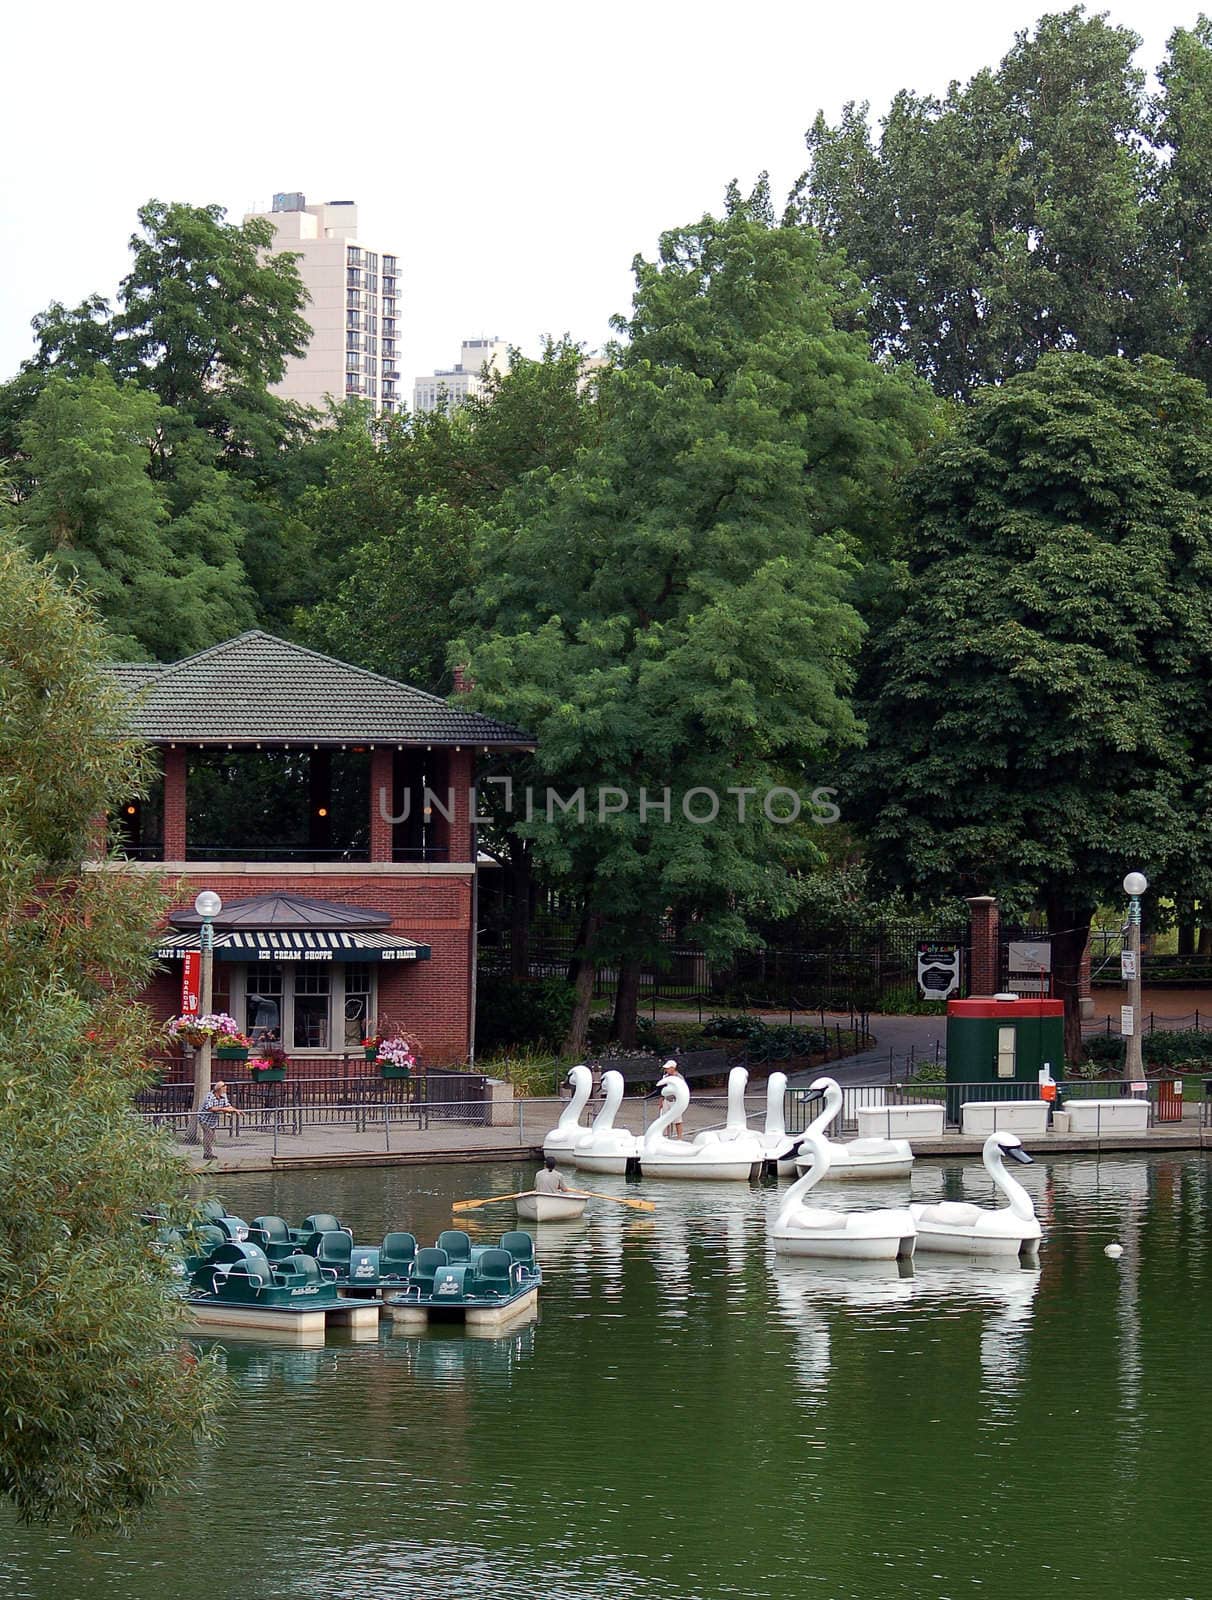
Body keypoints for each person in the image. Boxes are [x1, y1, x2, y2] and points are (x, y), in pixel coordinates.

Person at [198, 1080, 239, 1160]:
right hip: (204, 1119)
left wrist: (236, 1110)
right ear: (219, 1089)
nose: (225, 1091)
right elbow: (210, 1108)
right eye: (224, 1089)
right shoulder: (210, 1096)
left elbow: (227, 1106)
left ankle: (208, 1153)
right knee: (208, 1135)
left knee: (212, 1137)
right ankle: (207, 1154)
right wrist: (224, 1109)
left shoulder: (224, 1096)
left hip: (213, 1120)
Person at [662, 1059, 685, 1139]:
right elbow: (662, 1088)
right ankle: (669, 1136)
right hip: (666, 1100)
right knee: (666, 1119)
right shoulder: (665, 1077)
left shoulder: (679, 1077)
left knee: (677, 1120)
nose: (666, 1070)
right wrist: (661, 1100)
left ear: (673, 1068)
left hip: (675, 1101)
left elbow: (683, 1089)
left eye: (668, 1068)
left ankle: (679, 1138)